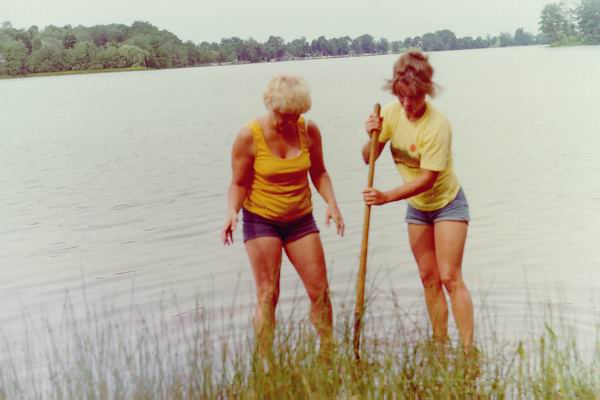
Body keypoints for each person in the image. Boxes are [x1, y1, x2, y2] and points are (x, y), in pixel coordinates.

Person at [222, 74, 345, 356]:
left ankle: (328, 355)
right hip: (261, 221)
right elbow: (238, 184)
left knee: (320, 293)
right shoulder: (248, 136)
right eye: (283, 115)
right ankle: (265, 364)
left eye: (295, 115)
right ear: (270, 105)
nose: (290, 121)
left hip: (300, 220)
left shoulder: (309, 131)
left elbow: (319, 172)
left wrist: (332, 203)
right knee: (268, 295)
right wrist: (232, 212)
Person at [362, 51, 474, 351]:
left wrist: (386, 197)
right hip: (418, 208)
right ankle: (439, 345)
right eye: (402, 97)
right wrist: (370, 135)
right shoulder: (391, 112)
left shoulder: (438, 126)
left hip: (447, 203)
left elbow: (428, 179)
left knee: (450, 277)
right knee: (428, 277)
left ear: (425, 91)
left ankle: (467, 351)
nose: (407, 105)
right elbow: (367, 158)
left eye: (413, 98)